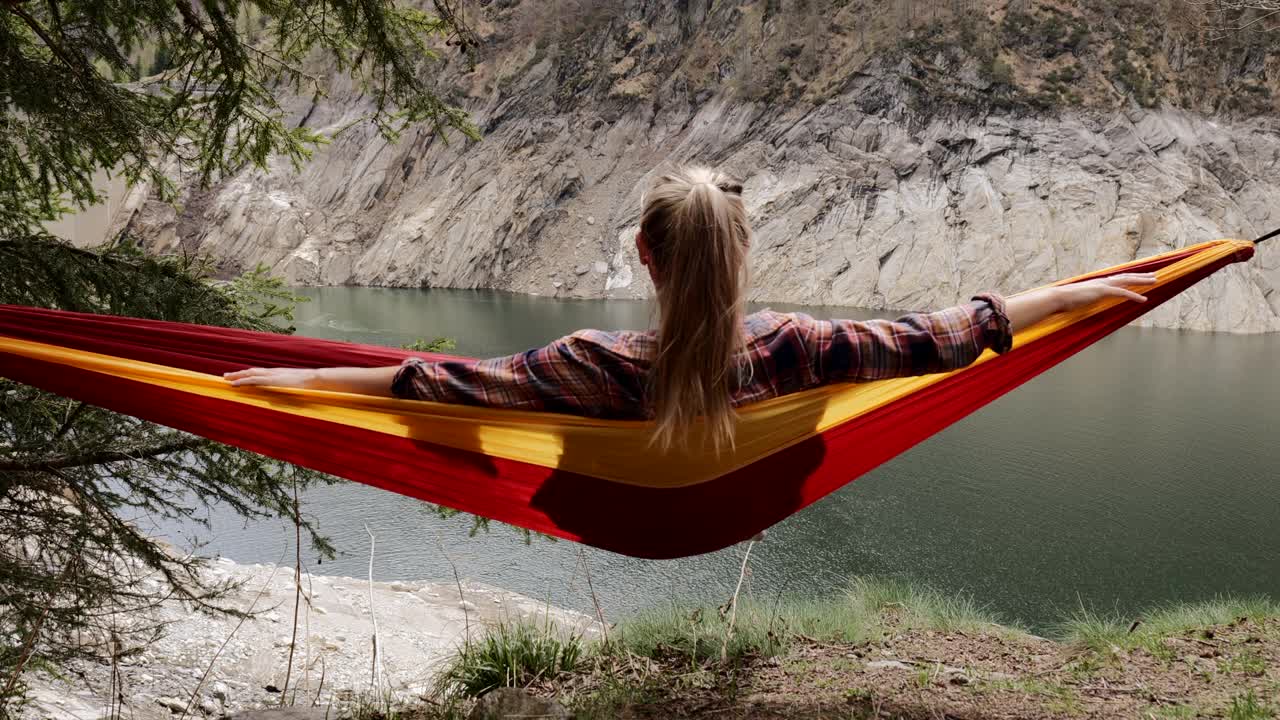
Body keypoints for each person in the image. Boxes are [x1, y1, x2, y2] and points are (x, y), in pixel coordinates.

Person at [225, 166, 1156, 450]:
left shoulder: (588, 363)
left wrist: (295, 376)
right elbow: (948, 335)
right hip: (737, 488)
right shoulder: (799, 346)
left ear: (642, 255)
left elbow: (437, 384)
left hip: (622, 510)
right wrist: (1074, 295)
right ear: (743, 252)